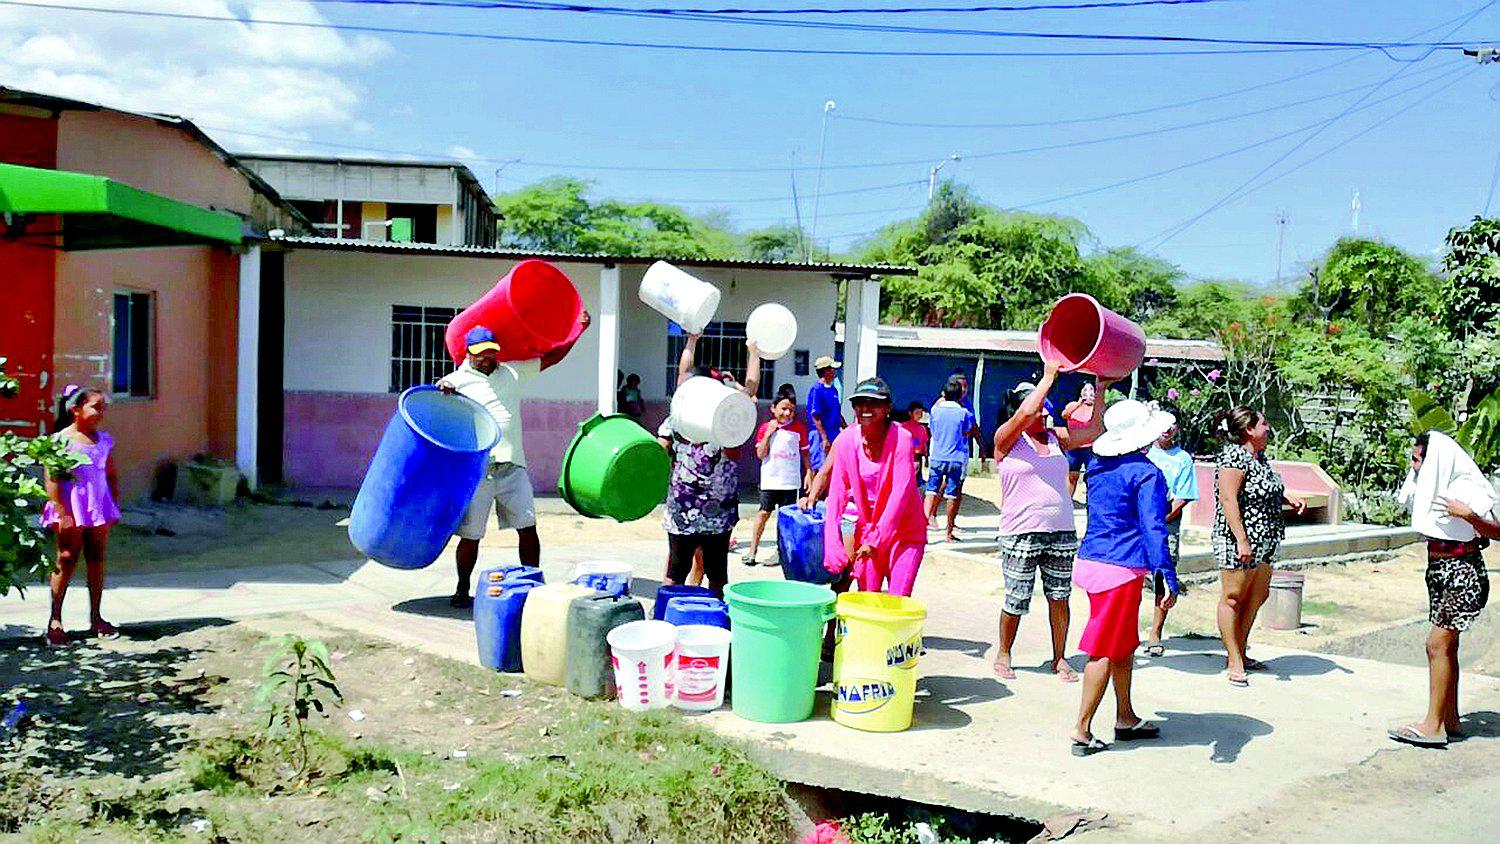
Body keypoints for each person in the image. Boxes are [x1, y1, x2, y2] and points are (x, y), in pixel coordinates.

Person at [440, 318, 590, 608]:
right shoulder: (456, 382)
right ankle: (461, 589)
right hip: (479, 470)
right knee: (471, 535)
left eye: (491, 351)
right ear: (468, 352)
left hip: (513, 466)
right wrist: (443, 387)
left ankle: (534, 584)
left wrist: (578, 331)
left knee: (528, 527)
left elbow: (551, 358)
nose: (488, 357)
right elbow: (438, 404)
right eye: (481, 352)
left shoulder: (511, 372)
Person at [1069, 399, 1180, 755]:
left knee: (1122, 644)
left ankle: (1125, 717)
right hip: (1122, 568)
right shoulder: (1147, 473)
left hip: (1093, 560)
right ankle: (1082, 730)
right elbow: (1153, 526)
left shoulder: (1098, 467)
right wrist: (1166, 574)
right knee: (1103, 648)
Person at [991, 361, 1113, 683]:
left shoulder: (1057, 438)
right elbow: (1021, 417)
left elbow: (1093, 431)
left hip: (1060, 531)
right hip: (1020, 532)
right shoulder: (1007, 439)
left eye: (1047, 410)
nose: (1046, 415)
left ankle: (1059, 658)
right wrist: (1048, 377)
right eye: (1040, 410)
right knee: (1016, 598)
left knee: (1060, 596)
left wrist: (1099, 390)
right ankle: (1004, 653)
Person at [1388, 431, 1495, 747]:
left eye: (1419, 458)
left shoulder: (1464, 488)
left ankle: (1432, 726)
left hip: (1461, 573)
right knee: (1447, 647)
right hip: (1440, 569)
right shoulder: (1435, 486)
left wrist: (1470, 517)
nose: (1414, 464)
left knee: (1437, 645)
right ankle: (1450, 719)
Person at [659, 333, 761, 598]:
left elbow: (682, 380)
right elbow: (749, 393)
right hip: (714, 511)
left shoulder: (678, 417)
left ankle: (666, 617)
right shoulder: (726, 424)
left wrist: (692, 341)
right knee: (716, 573)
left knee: (676, 571)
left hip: (685, 507)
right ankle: (712, 621)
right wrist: (753, 353)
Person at [804, 377, 927, 596]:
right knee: (866, 599)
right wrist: (832, 542)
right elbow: (837, 494)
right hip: (867, 530)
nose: (865, 408)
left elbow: (900, 493)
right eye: (860, 403)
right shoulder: (846, 440)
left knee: (898, 598)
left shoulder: (902, 439)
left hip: (905, 532)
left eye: (873, 403)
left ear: (888, 407)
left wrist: (876, 539)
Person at [1212, 406, 1305, 687]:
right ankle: (1234, 658)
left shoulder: (1259, 457)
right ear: (1249, 430)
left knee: (1257, 595)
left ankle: (1241, 647)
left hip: (1267, 538)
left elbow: (1260, 488)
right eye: (1263, 423)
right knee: (1233, 596)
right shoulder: (1233, 457)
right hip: (1239, 538)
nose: (1268, 427)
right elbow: (1229, 500)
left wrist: (1286, 497)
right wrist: (1242, 539)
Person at [41, 386, 122, 647]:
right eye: (95, 407)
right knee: (66, 559)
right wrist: (61, 512)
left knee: (97, 559)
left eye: (103, 408)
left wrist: (114, 505)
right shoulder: (59, 442)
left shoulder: (104, 441)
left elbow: (110, 474)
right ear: (75, 410)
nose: (101, 413)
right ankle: (55, 620)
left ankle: (96, 618)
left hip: (98, 508)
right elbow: (52, 479)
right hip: (71, 508)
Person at [1144, 415, 1198, 657]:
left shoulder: (1183, 459)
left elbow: (1183, 496)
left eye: (1172, 425)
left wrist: (1160, 521)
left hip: (1166, 525)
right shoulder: (1142, 452)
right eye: (1162, 424)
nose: (1166, 430)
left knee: (1162, 579)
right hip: (1138, 525)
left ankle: (1155, 632)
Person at [742, 391, 811, 566]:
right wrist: (768, 434)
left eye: (791, 410)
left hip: (790, 481)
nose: (787, 413)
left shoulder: (799, 429)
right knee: (764, 513)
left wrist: (809, 473)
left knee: (785, 517)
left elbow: (805, 454)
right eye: (784, 409)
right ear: (773, 408)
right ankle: (752, 551)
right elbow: (760, 454)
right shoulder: (765, 428)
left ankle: (780, 552)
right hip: (770, 480)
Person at [924, 376, 980, 543]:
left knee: (930, 492)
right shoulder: (964, 413)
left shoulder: (935, 411)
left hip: (937, 457)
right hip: (956, 458)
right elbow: (966, 433)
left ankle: (922, 528)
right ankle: (948, 532)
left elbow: (932, 432)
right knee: (952, 495)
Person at [806, 356, 844, 475]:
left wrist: (846, 427)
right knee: (819, 467)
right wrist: (824, 437)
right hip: (820, 434)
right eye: (832, 369)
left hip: (834, 433)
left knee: (833, 466)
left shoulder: (833, 390)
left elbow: (836, 411)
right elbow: (815, 415)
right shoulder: (817, 389)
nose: (835, 371)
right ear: (827, 371)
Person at [1063, 383, 1097, 497]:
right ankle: (1068, 501)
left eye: (1091, 389)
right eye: (1086, 389)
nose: (1089, 392)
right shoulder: (1073, 405)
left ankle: (1091, 500)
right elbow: (1065, 415)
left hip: (1090, 447)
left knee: (1091, 475)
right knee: (1072, 476)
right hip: (1073, 447)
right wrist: (1079, 403)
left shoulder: (1096, 407)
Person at [901, 401, 930, 486]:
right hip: (906, 458)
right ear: (910, 413)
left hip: (918, 458)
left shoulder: (922, 429)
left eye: (921, 413)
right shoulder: (903, 427)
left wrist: (926, 458)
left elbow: (924, 444)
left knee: (917, 482)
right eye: (917, 413)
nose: (919, 415)